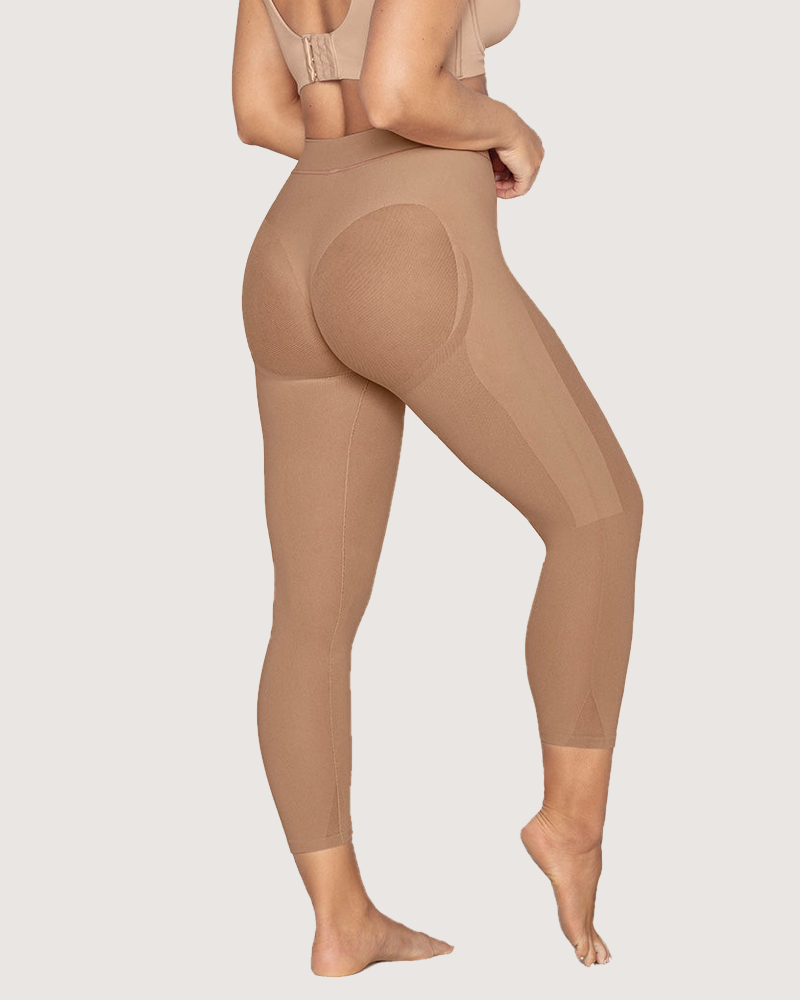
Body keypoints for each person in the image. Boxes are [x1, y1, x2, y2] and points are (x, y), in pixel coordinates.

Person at [232, 0, 643, 976]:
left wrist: (345, 164)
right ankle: (570, 824)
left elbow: (257, 109)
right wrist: (504, 127)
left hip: (289, 246)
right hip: (404, 239)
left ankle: (341, 922)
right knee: (597, 515)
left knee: (309, 621)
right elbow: (400, 91)